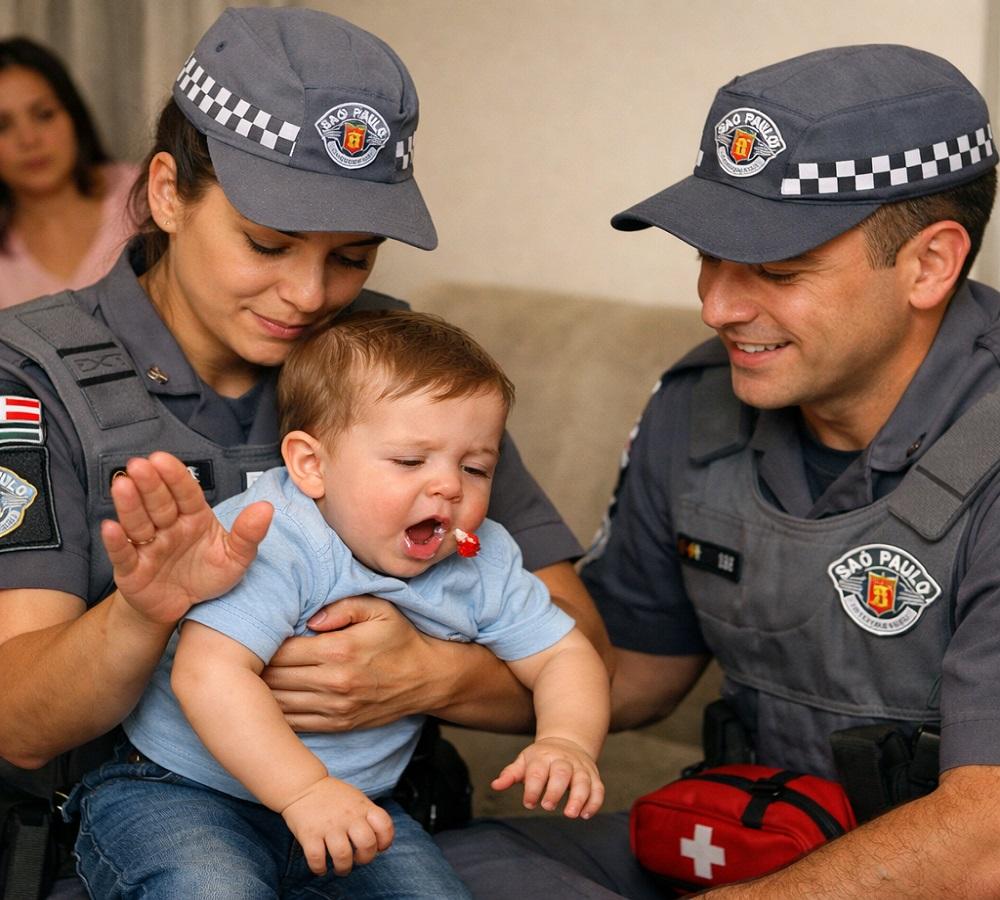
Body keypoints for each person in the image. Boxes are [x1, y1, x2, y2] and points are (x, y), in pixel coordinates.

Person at [0, 7, 608, 899]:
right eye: (268, 245)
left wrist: (424, 675)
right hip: (145, 823)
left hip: (370, 820)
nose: (308, 295)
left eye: (351, 258)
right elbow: (18, 720)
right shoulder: (31, 375)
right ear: (167, 192)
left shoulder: (398, 365)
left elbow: (582, 650)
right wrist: (140, 618)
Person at [436, 43, 1000, 898]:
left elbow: (984, 840)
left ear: (929, 263)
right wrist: (414, 675)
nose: (717, 306)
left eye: (777, 271)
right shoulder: (699, 406)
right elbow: (633, 668)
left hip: (927, 872)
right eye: (708, 256)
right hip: (752, 832)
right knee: (428, 871)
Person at [72, 308, 609, 897]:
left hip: (357, 803)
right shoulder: (274, 535)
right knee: (208, 887)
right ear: (311, 465)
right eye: (410, 461)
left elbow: (564, 655)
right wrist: (304, 792)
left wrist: (566, 740)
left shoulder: (482, 561)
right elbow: (208, 675)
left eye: (475, 467)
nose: (450, 486)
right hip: (183, 789)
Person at [0, 37, 138, 308]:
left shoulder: (146, 193)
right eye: (2, 127)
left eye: (44, 115)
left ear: (73, 114)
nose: (29, 140)